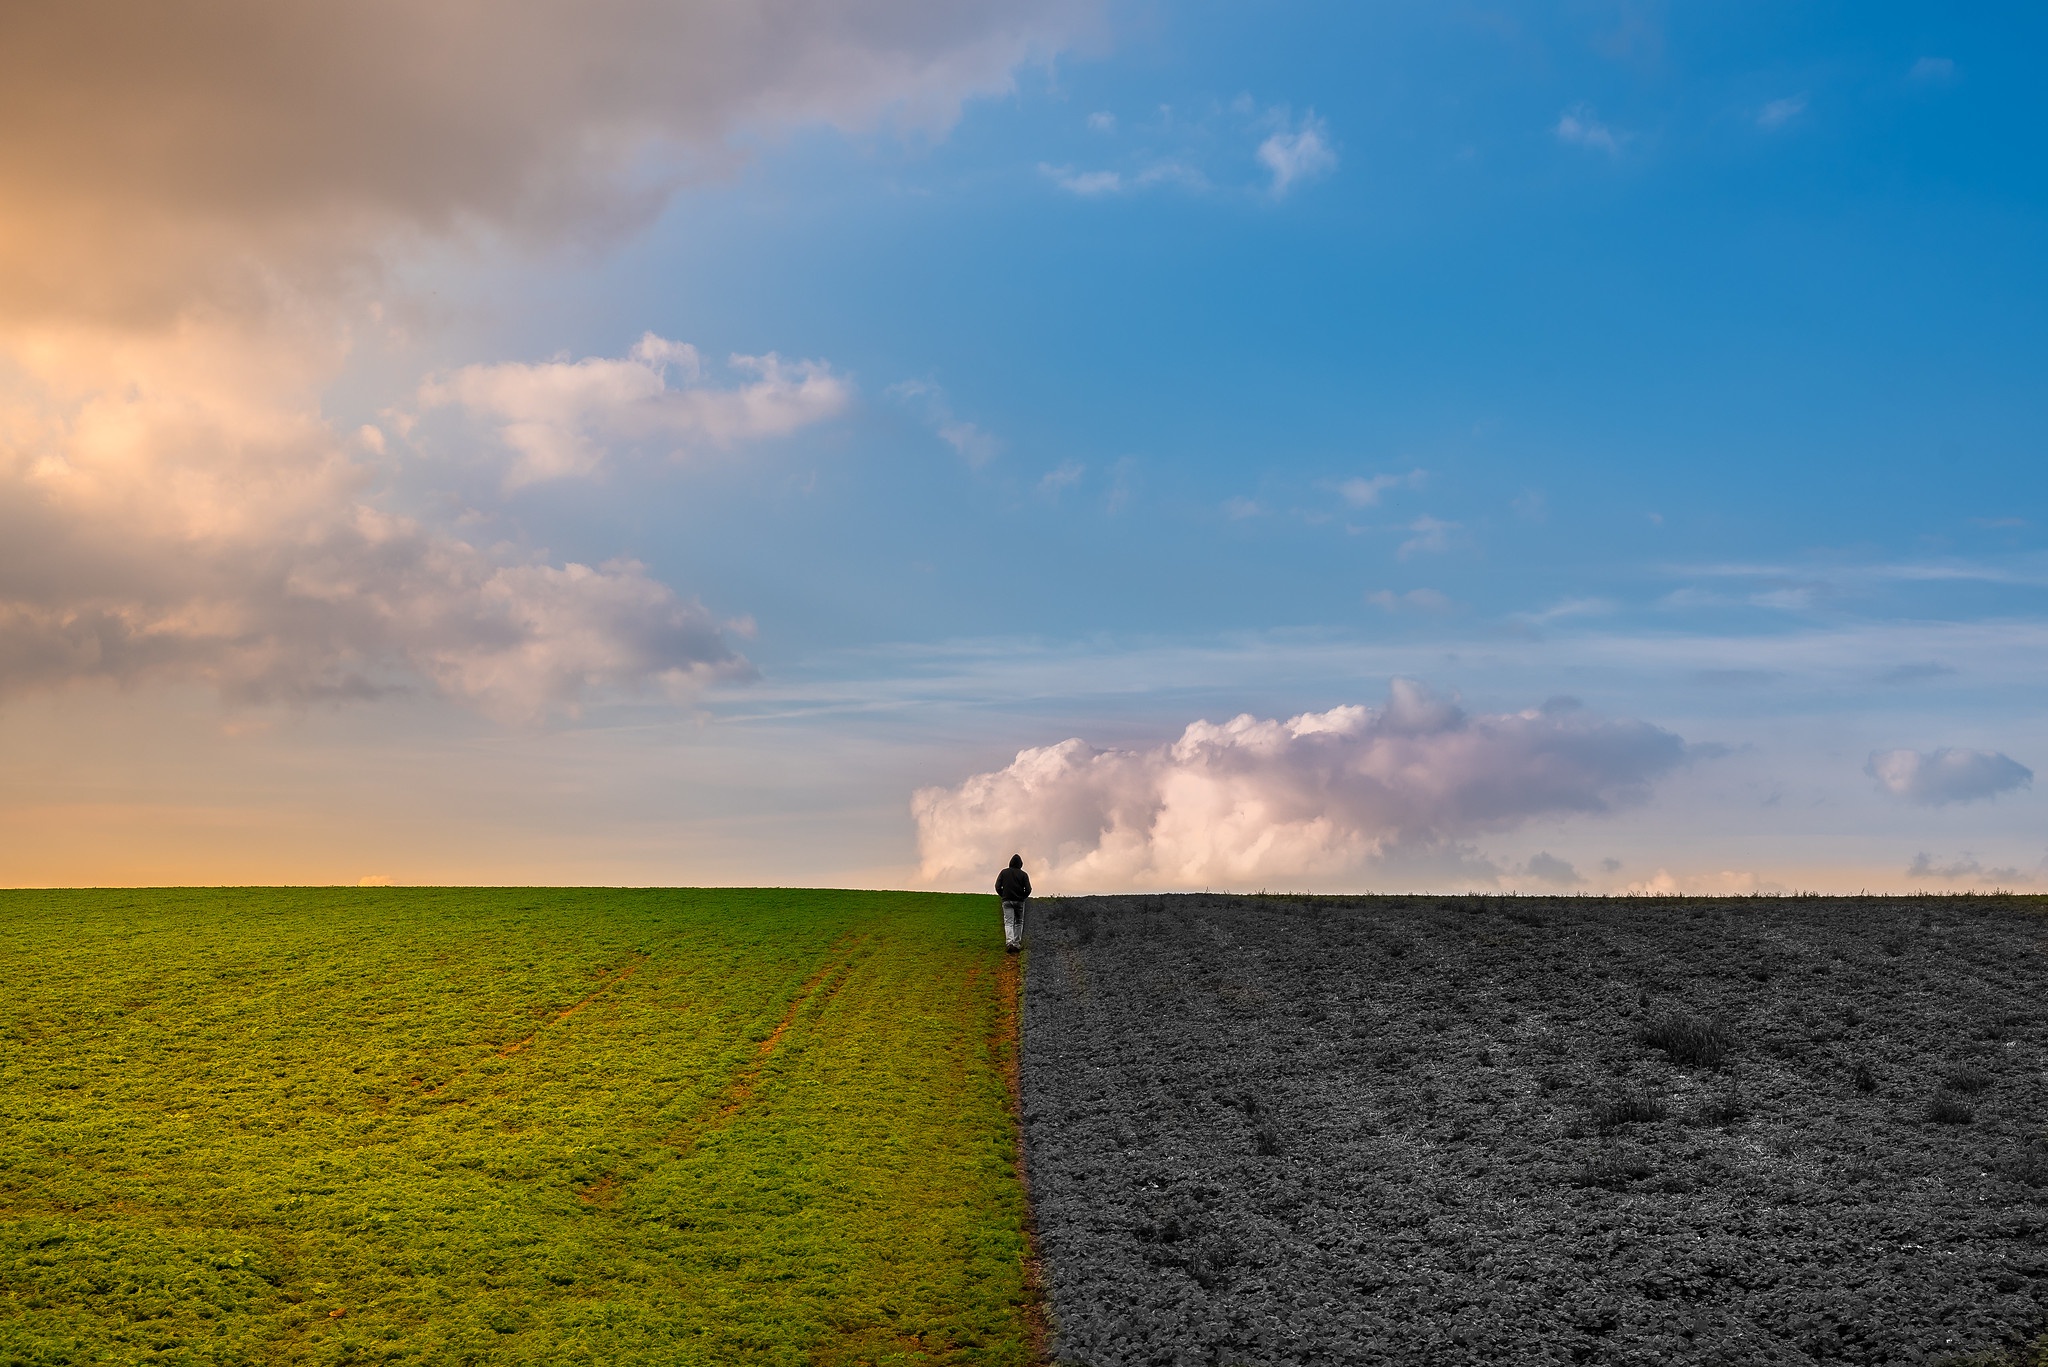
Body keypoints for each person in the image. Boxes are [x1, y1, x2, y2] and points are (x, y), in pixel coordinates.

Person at [995, 854, 1031, 953]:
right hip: (1019, 901)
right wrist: (1023, 897)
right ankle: (1016, 943)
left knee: (1008, 922)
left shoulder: (1004, 872)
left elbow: (997, 886)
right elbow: (1028, 889)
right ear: (1021, 864)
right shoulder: (1024, 874)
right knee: (1019, 922)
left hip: (1007, 900)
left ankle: (1009, 943)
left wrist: (1003, 895)